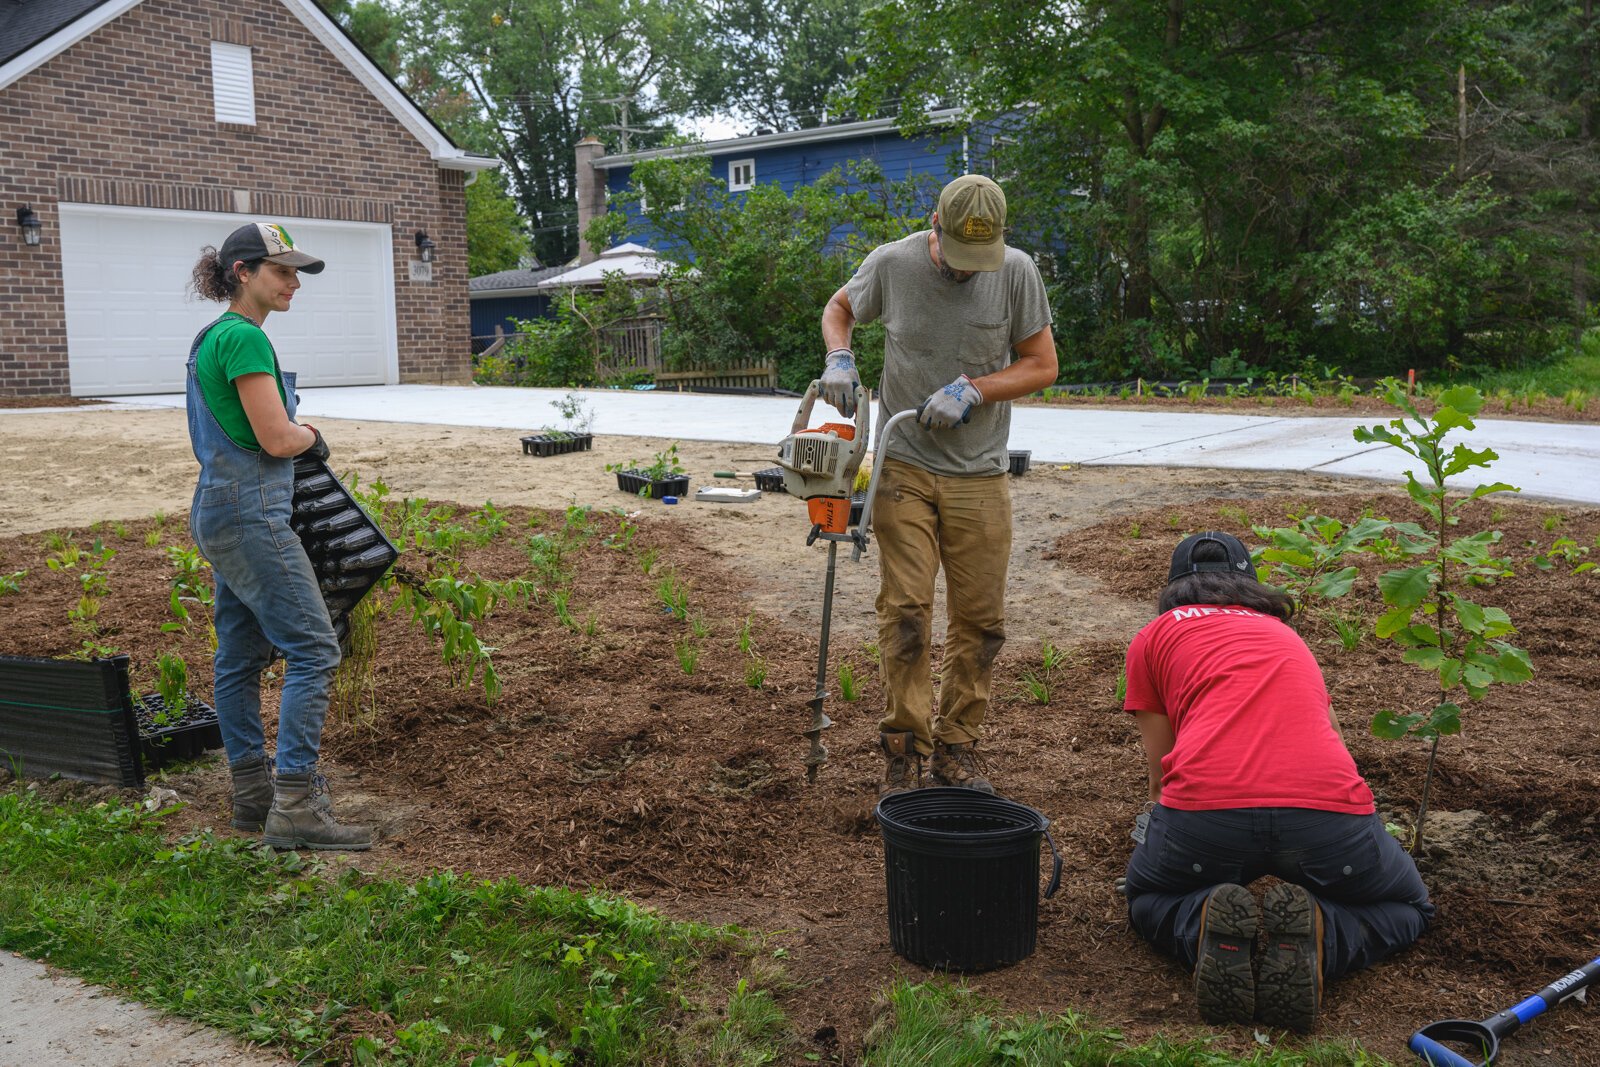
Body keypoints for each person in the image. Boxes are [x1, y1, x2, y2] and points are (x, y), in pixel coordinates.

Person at [1121, 531, 1433, 1032]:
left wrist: (1158, 839)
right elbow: (1334, 740)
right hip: (1327, 815)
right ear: (1250, 585)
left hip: (1206, 820)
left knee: (1145, 900)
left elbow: (1162, 770)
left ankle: (1202, 927)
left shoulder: (1155, 636)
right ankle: (1323, 934)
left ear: (1175, 588)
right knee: (1408, 906)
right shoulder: (1285, 636)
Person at [819, 175, 1057, 796]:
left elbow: (1042, 364)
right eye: (956, 258)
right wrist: (839, 356)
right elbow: (840, 307)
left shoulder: (1016, 272)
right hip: (905, 466)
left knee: (982, 620)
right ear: (935, 225)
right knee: (906, 612)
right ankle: (904, 749)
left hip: (979, 473)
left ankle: (957, 747)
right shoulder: (893, 264)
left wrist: (976, 388)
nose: (964, 272)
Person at [185, 222, 371, 851]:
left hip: (219, 509)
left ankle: (252, 798)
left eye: (296, 273)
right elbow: (276, 437)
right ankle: (295, 805)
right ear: (243, 271)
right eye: (282, 271)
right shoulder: (243, 338)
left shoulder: (212, 337)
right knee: (315, 649)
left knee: (237, 661)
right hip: (252, 514)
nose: (294, 282)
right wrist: (313, 434)